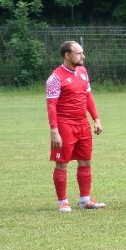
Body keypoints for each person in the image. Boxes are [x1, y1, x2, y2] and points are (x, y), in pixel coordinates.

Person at [47, 41, 104, 212]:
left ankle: (85, 200)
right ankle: (62, 202)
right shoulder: (55, 77)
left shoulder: (83, 72)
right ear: (67, 55)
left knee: (85, 161)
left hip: (82, 124)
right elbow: (51, 105)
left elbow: (88, 96)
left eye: (82, 53)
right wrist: (54, 131)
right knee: (62, 163)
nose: (83, 56)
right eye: (79, 53)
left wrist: (96, 119)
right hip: (65, 125)